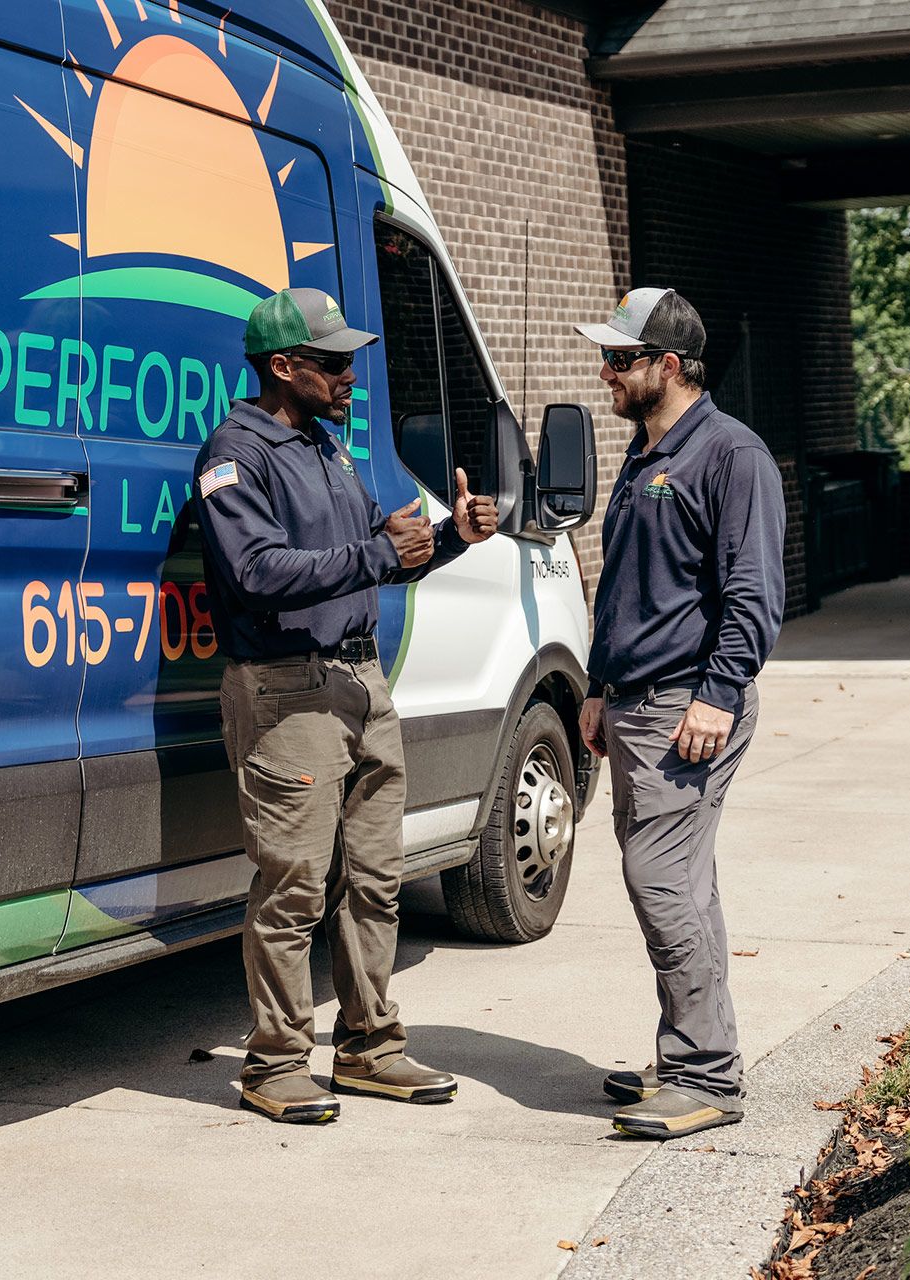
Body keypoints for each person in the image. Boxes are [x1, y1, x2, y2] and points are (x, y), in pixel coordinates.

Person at [194, 287, 499, 1124]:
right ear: (282, 366)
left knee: (375, 878)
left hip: (362, 683)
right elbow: (255, 572)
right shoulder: (235, 453)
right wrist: (373, 549)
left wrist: (447, 541)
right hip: (286, 689)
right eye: (331, 361)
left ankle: (370, 1048)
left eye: (350, 359)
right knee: (293, 885)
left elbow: (380, 558)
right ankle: (276, 1063)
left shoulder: (325, 448)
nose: (349, 374)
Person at [572, 288, 786, 1139]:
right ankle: (693, 1056)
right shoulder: (644, 453)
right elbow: (625, 591)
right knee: (679, 884)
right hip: (633, 701)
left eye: (621, 359)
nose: (606, 372)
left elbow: (753, 594)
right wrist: (596, 685)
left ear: (668, 366)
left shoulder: (732, 456)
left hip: (685, 705)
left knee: (660, 881)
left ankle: (707, 1078)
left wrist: (718, 694)